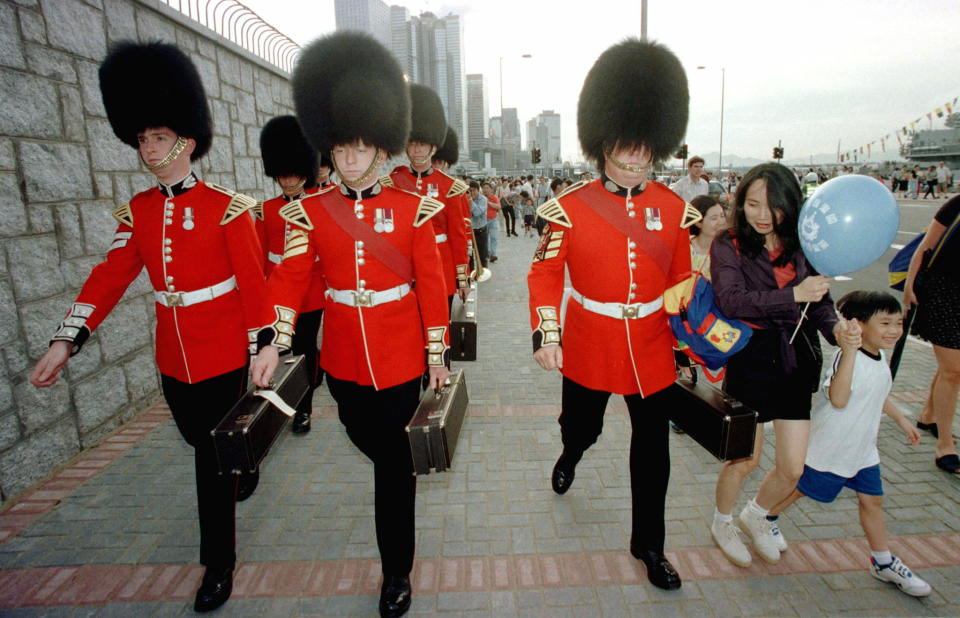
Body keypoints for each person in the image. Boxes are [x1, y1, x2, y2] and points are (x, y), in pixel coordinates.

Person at [29, 41, 267, 612]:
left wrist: (266, 345)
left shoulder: (227, 207)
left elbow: (255, 285)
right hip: (173, 356)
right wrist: (68, 338)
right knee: (197, 442)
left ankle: (217, 564)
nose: (147, 147)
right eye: (141, 138)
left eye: (157, 136)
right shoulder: (137, 211)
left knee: (209, 465)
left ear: (185, 140)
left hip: (222, 354)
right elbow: (108, 276)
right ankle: (243, 462)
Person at [251, 32, 450, 618]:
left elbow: (432, 288)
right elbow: (288, 280)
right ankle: (395, 508)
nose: (351, 161)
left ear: (381, 150)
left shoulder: (416, 209)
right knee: (369, 442)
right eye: (341, 152)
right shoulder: (308, 213)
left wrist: (437, 354)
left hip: (400, 355)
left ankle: (396, 572)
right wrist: (274, 341)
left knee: (392, 464)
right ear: (329, 152)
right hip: (340, 358)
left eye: (362, 151)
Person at [528, 39, 701, 590]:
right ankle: (571, 451)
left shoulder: (674, 210)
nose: (635, 164)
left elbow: (679, 282)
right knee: (585, 426)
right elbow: (545, 274)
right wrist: (547, 332)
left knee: (652, 448)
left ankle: (649, 544)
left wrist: (694, 341)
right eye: (626, 153)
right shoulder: (569, 207)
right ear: (603, 145)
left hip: (650, 343)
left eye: (645, 154)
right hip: (590, 338)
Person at [707, 163, 844, 568]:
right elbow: (730, 300)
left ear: (792, 206)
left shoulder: (805, 242)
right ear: (740, 202)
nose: (763, 215)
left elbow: (819, 303)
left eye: (774, 207)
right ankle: (722, 521)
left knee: (793, 467)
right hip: (751, 356)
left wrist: (837, 330)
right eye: (752, 204)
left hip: (795, 359)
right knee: (745, 459)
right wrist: (793, 295)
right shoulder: (728, 243)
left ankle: (759, 514)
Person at [768, 291, 931, 597]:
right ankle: (763, 517)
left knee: (872, 501)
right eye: (885, 323)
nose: (894, 330)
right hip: (833, 447)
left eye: (897, 323)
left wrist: (902, 419)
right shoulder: (847, 357)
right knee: (799, 490)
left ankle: (883, 562)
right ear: (857, 325)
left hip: (863, 449)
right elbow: (839, 399)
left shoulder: (880, 355)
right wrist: (851, 352)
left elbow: (877, 392)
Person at [257, 115, 326, 434]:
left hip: (310, 293)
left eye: (293, 174)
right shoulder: (265, 210)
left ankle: (304, 408)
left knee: (303, 349)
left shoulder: (319, 206)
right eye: (281, 175)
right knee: (277, 350)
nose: (287, 181)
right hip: (275, 293)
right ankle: (277, 402)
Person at [390, 86, 471, 309]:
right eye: (412, 143)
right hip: (404, 266)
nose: (416, 150)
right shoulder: (393, 182)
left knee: (439, 328)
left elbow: (457, 236)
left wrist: (462, 278)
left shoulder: (450, 187)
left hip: (441, 266)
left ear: (434, 147)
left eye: (422, 144)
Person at [905, 195, 960, 474]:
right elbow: (925, 248)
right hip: (944, 293)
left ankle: (928, 415)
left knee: (951, 367)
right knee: (954, 370)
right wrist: (909, 287)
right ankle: (945, 446)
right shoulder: (957, 204)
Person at [468, 180, 489, 269]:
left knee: (482, 254)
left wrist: (471, 202)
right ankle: (472, 274)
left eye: (474, 190)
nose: (472, 192)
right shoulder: (465, 199)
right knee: (470, 256)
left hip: (481, 231)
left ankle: (483, 272)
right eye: (470, 190)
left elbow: (477, 213)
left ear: (478, 190)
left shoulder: (483, 199)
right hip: (469, 231)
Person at [482, 181, 501, 262]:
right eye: (484, 188)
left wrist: (488, 202)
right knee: (485, 238)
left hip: (493, 220)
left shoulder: (494, 197)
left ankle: (493, 254)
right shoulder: (480, 198)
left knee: (493, 237)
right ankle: (487, 253)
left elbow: (498, 207)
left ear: (491, 189)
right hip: (483, 221)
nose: (485, 190)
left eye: (487, 188)